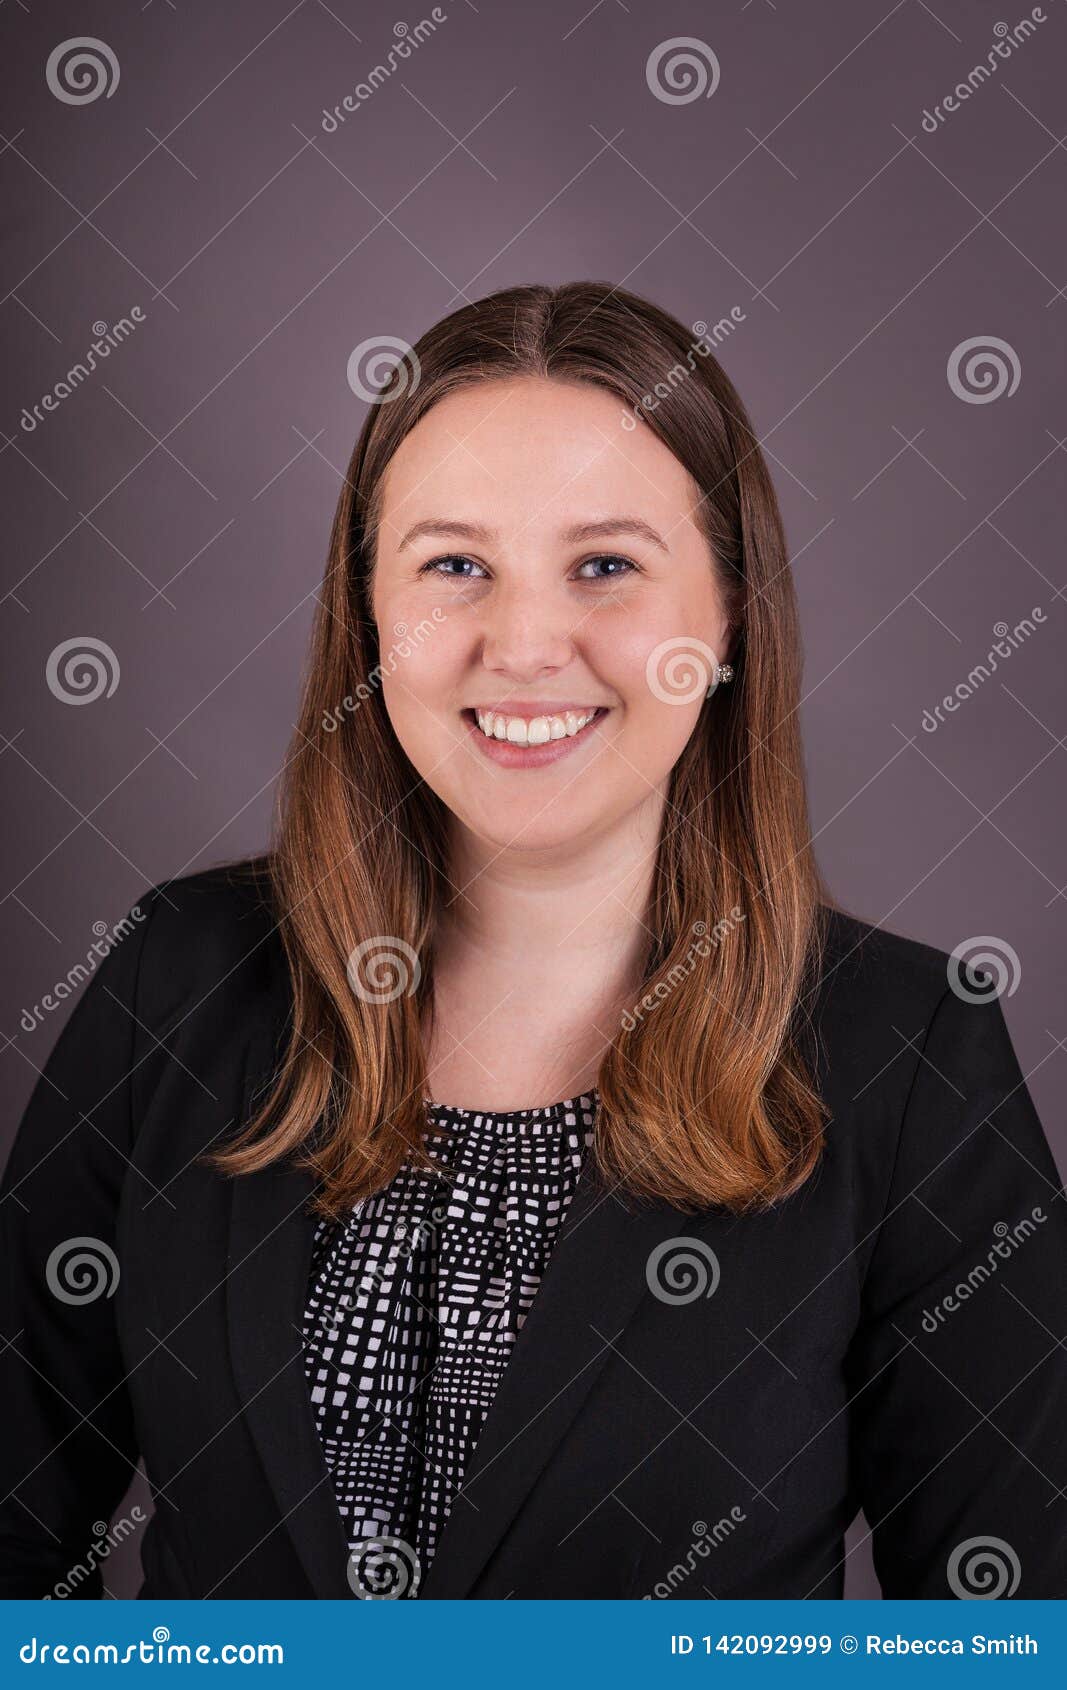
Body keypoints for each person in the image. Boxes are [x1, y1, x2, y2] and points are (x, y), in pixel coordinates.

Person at [2, 281, 1065, 1601]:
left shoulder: (910, 1059)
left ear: (728, 615)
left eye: (606, 565)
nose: (523, 643)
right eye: (456, 565)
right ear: (370, 614)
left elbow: (1005, 1636)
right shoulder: (179, 977)